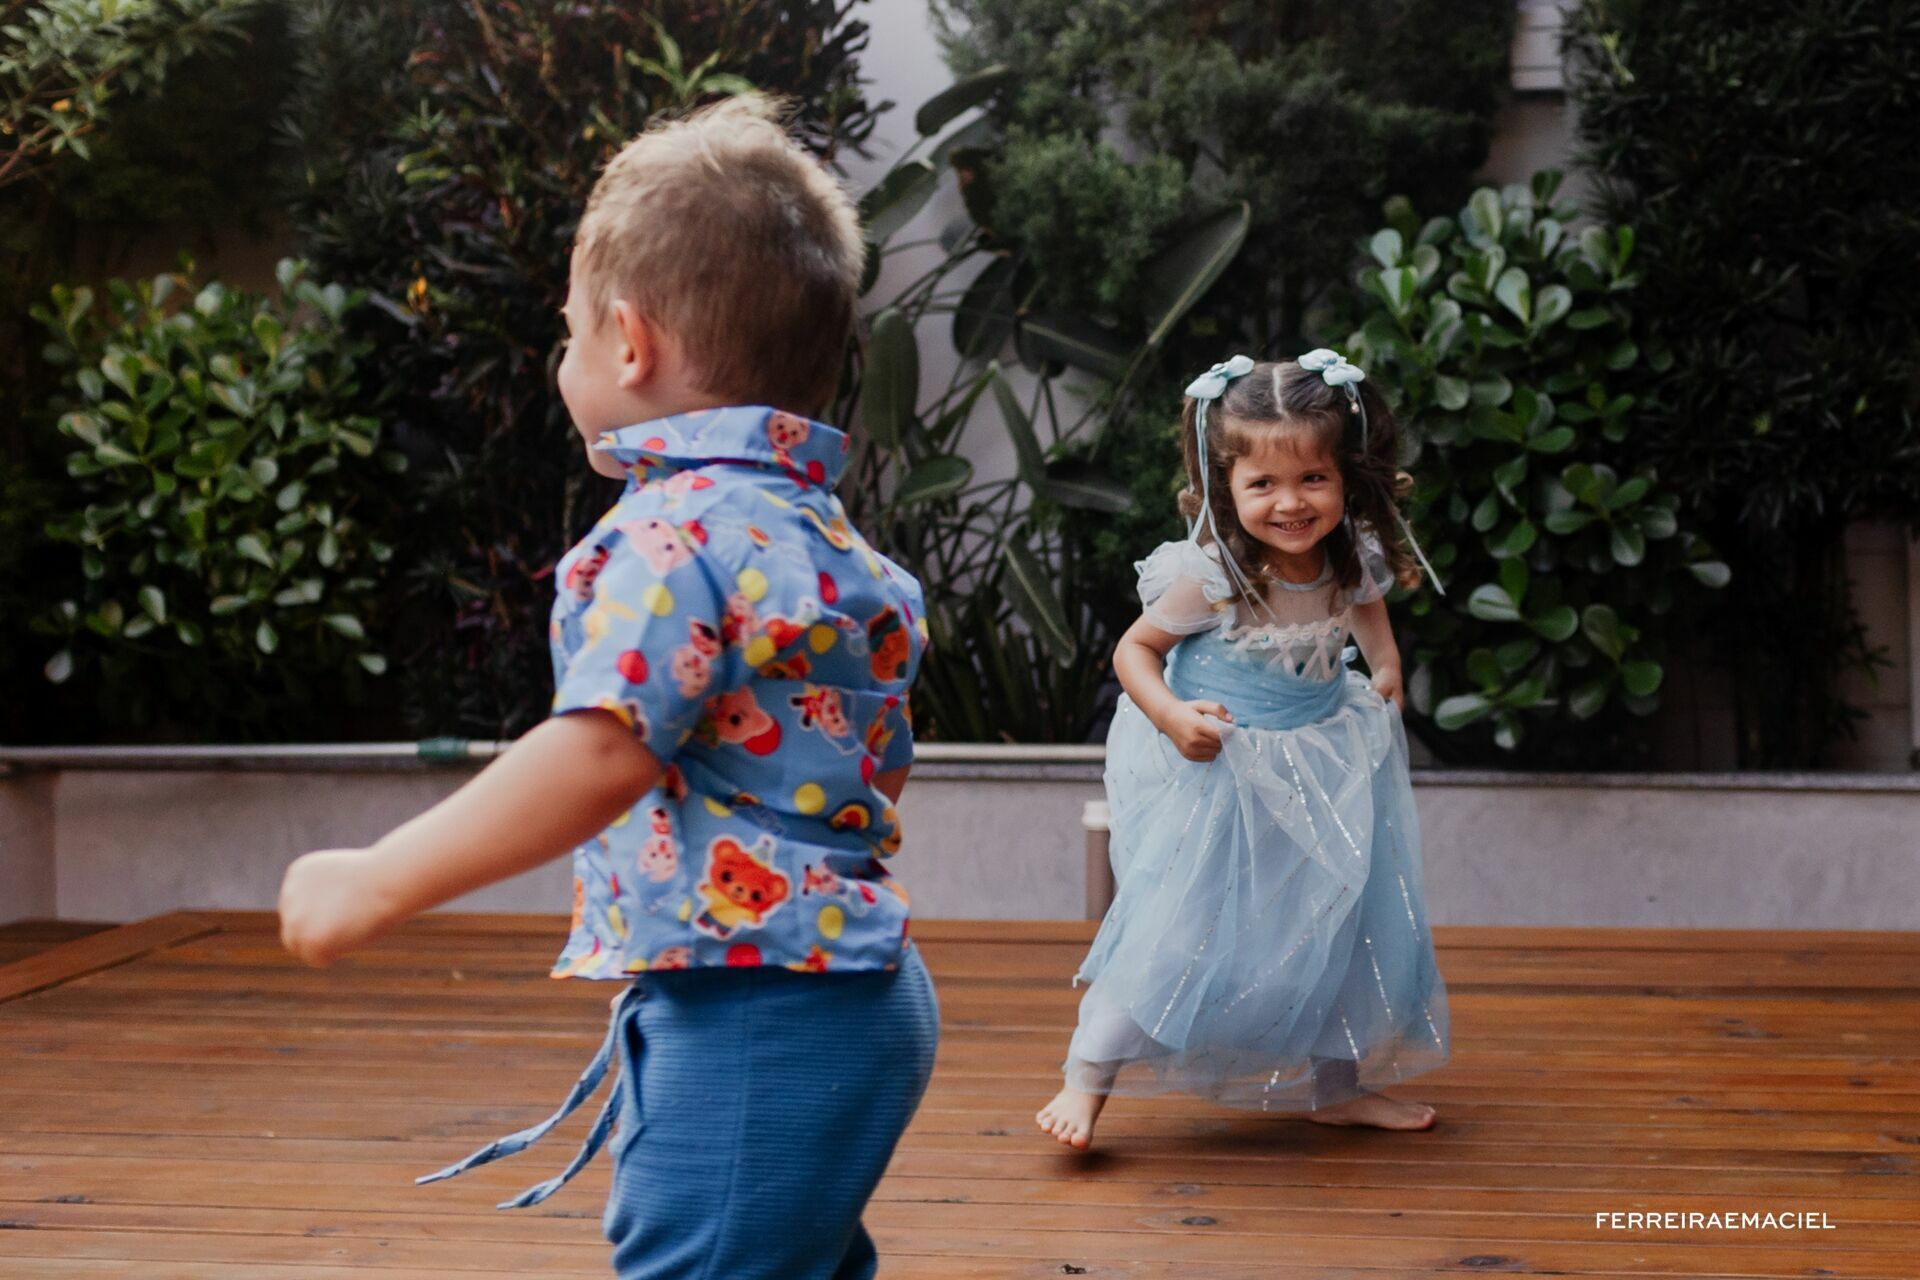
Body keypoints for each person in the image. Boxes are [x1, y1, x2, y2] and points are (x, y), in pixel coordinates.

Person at [277, 94, 939, 1279]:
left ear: (628, 344)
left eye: (570, 332)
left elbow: (601, 747)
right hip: (847, 991)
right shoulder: (832, 545)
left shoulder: (671, 535)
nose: (567, 357)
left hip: (758, 1007)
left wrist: (377, 877)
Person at [1036, 351, 1451, 1151]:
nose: (1291, 503)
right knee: (1180, 925)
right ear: (1225, 486)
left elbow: (1366, 609)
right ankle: (1087, 1076)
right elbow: (1133, 652)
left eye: (1313, 480)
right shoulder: (1213, 574)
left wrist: (1388, 664)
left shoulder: (1349, 551)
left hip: (1325, 760)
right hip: (1227, 768)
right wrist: (1169, 715)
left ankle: (1336, 1087)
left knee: (1336, 921)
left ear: (1348, 477)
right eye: (1263, 484)